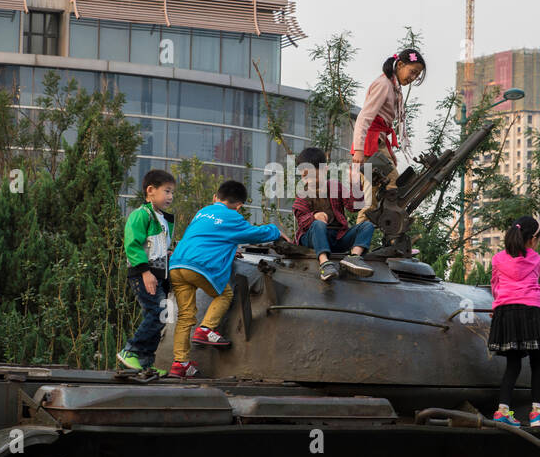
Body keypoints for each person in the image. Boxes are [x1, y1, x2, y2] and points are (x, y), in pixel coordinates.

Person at [167, 179, 287, 379]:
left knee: (185, 316)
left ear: (215, 197)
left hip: (178, 264)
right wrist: (276, 231)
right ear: (239, 205)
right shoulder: (233, 217)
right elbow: (255, 234)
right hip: (200, 266)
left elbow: (211, 237)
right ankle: (206, 329)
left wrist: (231, 249)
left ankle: (180, 363)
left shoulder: (202, 212)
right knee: (224, 294)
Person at [488, 215, 540, 428]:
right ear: (533, 239)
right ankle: (537, 413)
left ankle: (503, 412)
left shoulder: (497, 259)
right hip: (532, 311)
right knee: (538, 363)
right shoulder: (537, 260)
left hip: (506, 312)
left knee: (513, 364)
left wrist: (499, 304)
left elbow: (495, 285)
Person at [351, 48, 426, 220]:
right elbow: (364, 117)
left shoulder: (393, 87)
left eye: (417, 75)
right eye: (412, 72)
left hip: (378, 142)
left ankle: (368, 240)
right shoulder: (384, 85)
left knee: (376, 194)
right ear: (400, 65)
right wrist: (359, 150)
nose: (413, 78)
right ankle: (371, 240)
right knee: (392, 187)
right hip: (372, 144)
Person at [118, 168, 177, 374]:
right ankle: (131, 351)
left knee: (162, 315)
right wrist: (145, 272)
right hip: (144, 274)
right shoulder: (141, 215)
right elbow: (132, 245)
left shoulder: (163, 219)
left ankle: (145, 363)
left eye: (172, 193)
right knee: (158, 312)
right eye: (167, 191)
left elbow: (159, 248)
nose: (170, 197)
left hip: (159, 276)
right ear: (151, 190)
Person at [293, 147, 375, 282]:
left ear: (324, 170)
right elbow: (301, 220)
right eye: (304, 176)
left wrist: (355, 183)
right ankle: (324, 263)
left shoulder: (335, 187)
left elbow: (355, 207)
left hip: (337, 237)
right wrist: (313, 216)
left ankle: (354, 258)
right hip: (313, 237)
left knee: (367, 225)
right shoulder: (302, 194)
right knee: (318, 224)